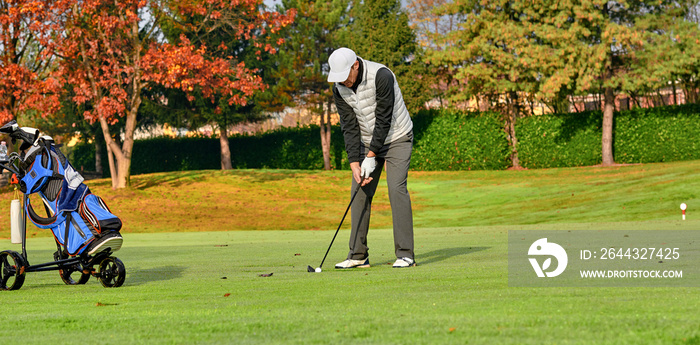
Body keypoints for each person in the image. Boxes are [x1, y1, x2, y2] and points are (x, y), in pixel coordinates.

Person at [327, 47, 416, 269]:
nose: (342, 82)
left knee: (396, 188)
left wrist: (372, 156)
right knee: (359, 191)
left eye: (345, 76)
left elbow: (384, 118)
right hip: (367, 143)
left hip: (398, 137)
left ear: (355, 65)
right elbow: (349, 126)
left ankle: (405, 254)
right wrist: (355, 163)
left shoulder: (381, 75)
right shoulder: (339, 89)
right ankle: (358, 255)